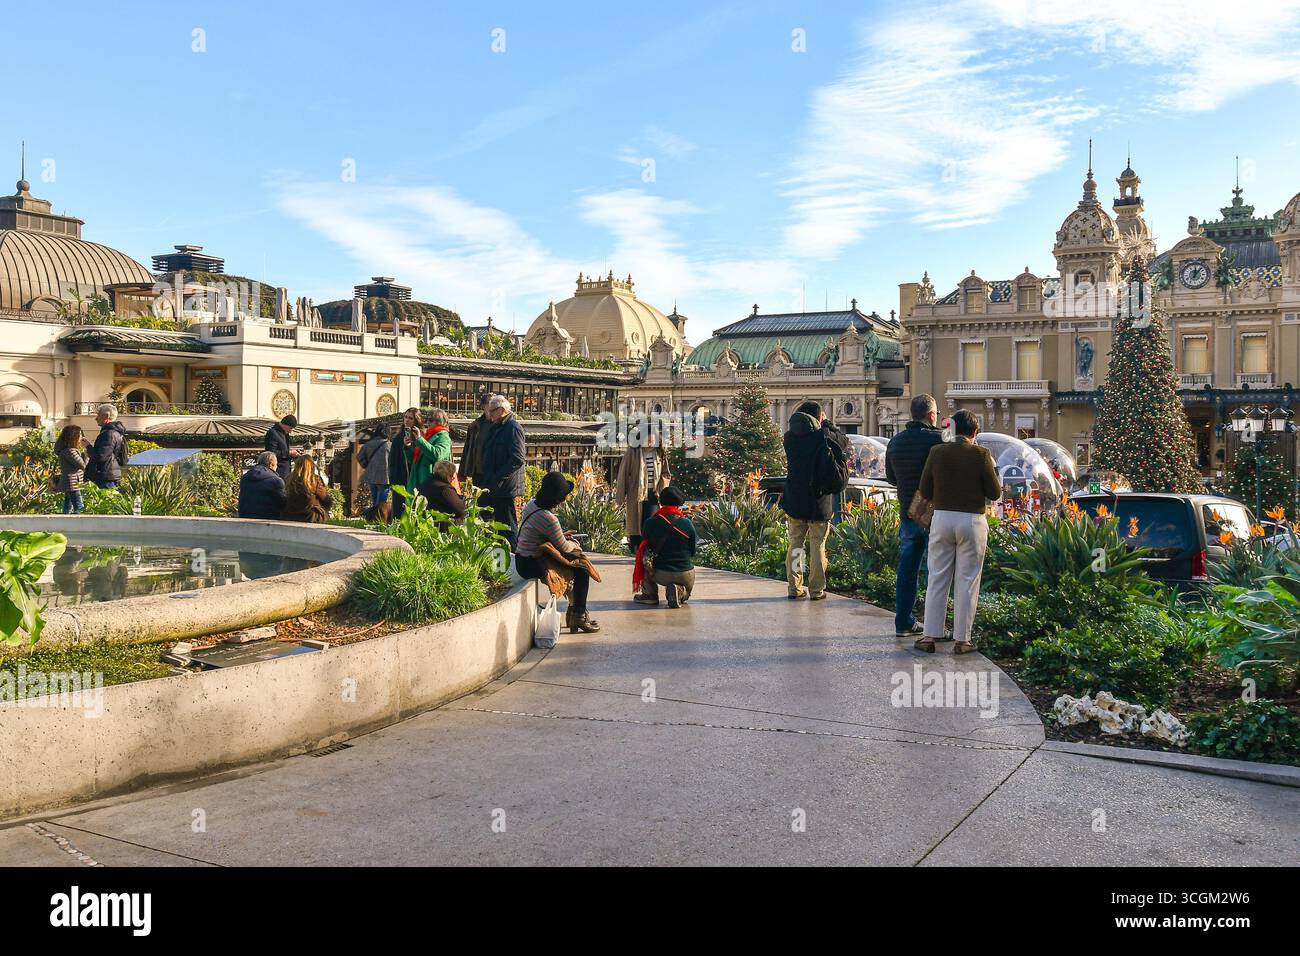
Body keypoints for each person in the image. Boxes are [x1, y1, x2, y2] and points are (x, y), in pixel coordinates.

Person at [915, 409, 1001, 654]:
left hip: (942, 519)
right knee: (967, 580)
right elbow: (994, 493)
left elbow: (924, 489)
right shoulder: (982, 454)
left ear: (952, 430)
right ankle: (962, 640)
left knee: (937, 577)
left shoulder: (936, 452)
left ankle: (930, 635)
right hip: (972, 521)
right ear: (975, 432)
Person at [885, 394, 946, 639]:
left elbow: (891, 478)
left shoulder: (896, 442)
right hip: (934, 510)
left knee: (908, 567)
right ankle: (935, 625)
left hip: (908, 510)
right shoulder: (939, 439)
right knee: (938, 569)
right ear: (931, 415)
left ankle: (904, 621)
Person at [780, 400, 849, 600]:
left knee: (795, 544)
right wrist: (827, 424)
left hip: (795, 499)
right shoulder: (823, 436)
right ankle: (817, 590)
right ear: (819, 418)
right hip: (819, 500)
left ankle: (794, 587)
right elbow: (843, 441)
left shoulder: (789, 438)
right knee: (817, 544)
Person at [516, 471, 600, 633]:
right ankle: (579, 616)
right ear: (557, 499)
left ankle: (575, 613)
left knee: (576, 570)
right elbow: (564, 547)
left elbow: (545, 533)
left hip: (523, 558)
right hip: (530, 563)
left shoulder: (532, 505)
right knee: (582, 569)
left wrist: (561, 535)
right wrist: (575, 544)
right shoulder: (549, 518)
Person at [616, 429, 671, 601]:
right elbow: (623, 475)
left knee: (650, 527)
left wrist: (663, 488)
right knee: (636, 527)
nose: (650, 441)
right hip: (636, 495)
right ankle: (638, 552)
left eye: (652, 438)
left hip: (654, 496)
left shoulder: (660, 453)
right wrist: (620, 498)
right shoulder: (632, 453)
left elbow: (666, 474)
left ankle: (648, 554)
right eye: (647, 438)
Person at [632, 485, 697, 608]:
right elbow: (692, 551)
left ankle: (649, 595)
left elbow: (645, 546)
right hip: (685, 573)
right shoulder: (687, 523)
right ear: (679, 504)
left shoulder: (650, 522)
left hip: (660, 573)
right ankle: (680, 592)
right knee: (686, 594)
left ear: (660, 502)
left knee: (644, 556)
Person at [477, 395, 527, 548]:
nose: (489, 414)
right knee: (495, 525)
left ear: (502, 410)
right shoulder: (498, 427)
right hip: (494, 484)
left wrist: (498, 477)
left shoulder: (513, 427)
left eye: (492, 411)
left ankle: (513, 557)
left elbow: (518, 458)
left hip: (505, 487)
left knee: (507, 526)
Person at [87, 404, 129, 490]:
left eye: (98, 415)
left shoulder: (109, 434)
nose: (96, 418)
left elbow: (101, 456)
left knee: (106, 502)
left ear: (106, 416)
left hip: (105, 476)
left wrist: (88, 447)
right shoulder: (114, 432)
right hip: (109, 474)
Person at [457, 390, 495, 486]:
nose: (493, 407)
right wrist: (462, 474)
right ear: (483, 406)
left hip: (495, 474)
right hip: (478, 474)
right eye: (490, 403)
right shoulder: (475, 426)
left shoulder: (502, 425)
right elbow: (467, 449)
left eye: (495, 404)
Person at [282, 455, 333, 523]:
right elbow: (326, 499)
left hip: (290, 516)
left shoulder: (289, 479)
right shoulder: (314, 480)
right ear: (312, 466)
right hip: (309, 517)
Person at [238, 451, 288, 519]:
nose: (277, 467)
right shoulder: (276, 481)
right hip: (268, 521)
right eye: (276, 465)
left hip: (245, 518)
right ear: (271, 465)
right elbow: (283, 504)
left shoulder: (245, 477)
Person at [419, 459, 467, 526]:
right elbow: (461, 510)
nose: (453, 478)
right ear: (447, 475)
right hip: (442, 527)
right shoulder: (444, 489)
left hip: (425, 523)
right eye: (452, 475)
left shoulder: (425, 483)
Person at [54, 425, 89, 514]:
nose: (81, 437)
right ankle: (78, 525)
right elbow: (83, 465)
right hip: (72, 482)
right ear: (73, 437)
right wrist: (86, 452)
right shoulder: (70, 451)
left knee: (68, 504)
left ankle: (64, 522)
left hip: (70, 482)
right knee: (79, 506)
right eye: (80, 435)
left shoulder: (66, 450)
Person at [356, 425, 392, 512]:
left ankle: (371, 516)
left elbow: (359, 456)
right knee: (381, 503)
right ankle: (377, 518)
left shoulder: (368, 444)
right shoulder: (390, 445)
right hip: (385, 477)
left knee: (374, 500)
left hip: (371, 476)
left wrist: (366, 465)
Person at [264, 415, 300, 481]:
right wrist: (289, 453)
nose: (291, 431)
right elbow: (270, 453)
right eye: (291, 428)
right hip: (277, 471)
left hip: (285, 471)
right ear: (285, 424)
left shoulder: (284, 433)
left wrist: (293, 453)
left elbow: (283, 449)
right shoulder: (273, 433)